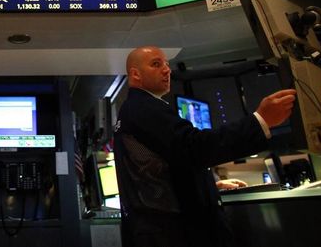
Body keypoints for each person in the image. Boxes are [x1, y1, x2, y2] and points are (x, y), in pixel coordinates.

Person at [114, 46, 296, 247]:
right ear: (135, 74)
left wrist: (206, 185)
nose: (167, 70)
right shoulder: (144, 107)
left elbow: (160, 169)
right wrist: (260, 121)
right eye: (156, 64)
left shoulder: (134, 109)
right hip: (175, 234)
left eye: (166, 64)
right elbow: (195, 148)